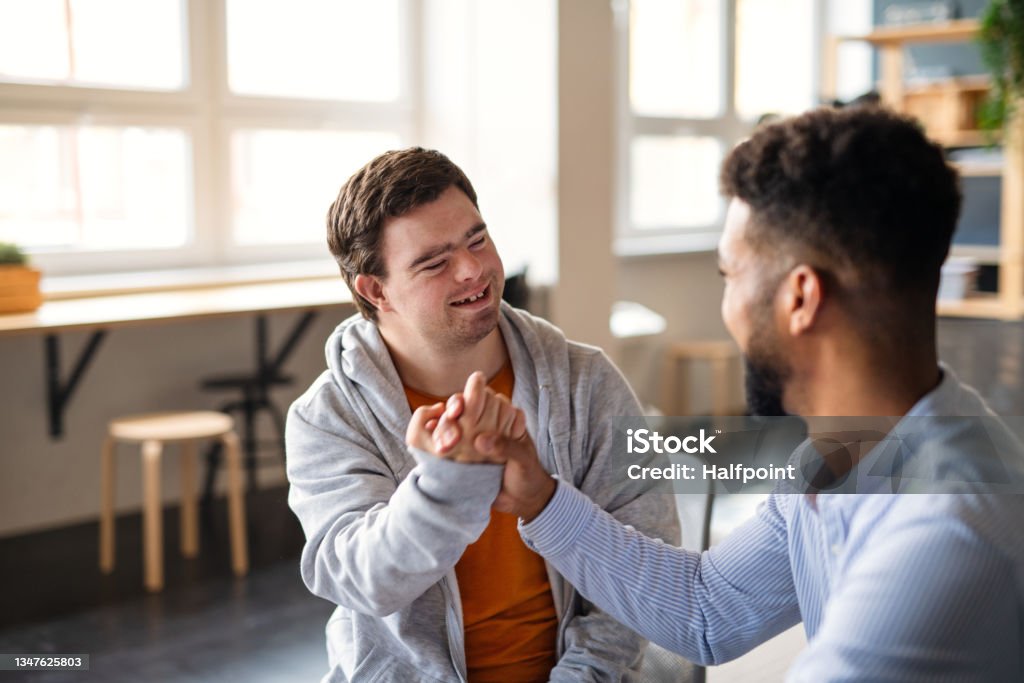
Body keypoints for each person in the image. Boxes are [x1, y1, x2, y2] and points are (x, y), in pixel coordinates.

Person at [416, 107, 1024, 680]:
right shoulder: (851, 450)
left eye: (729, 275)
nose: (725, 305)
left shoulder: (946, 532)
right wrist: (541, 497)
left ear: (800, 298)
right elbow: (708, 609)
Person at [285, 147, 679, 682]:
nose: (474, 270)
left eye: (478, 239)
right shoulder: (327, 416)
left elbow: (643, 561)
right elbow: (362, 579)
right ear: (376, 290)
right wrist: (447, 484)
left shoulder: (585, 381)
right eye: (435, 262)